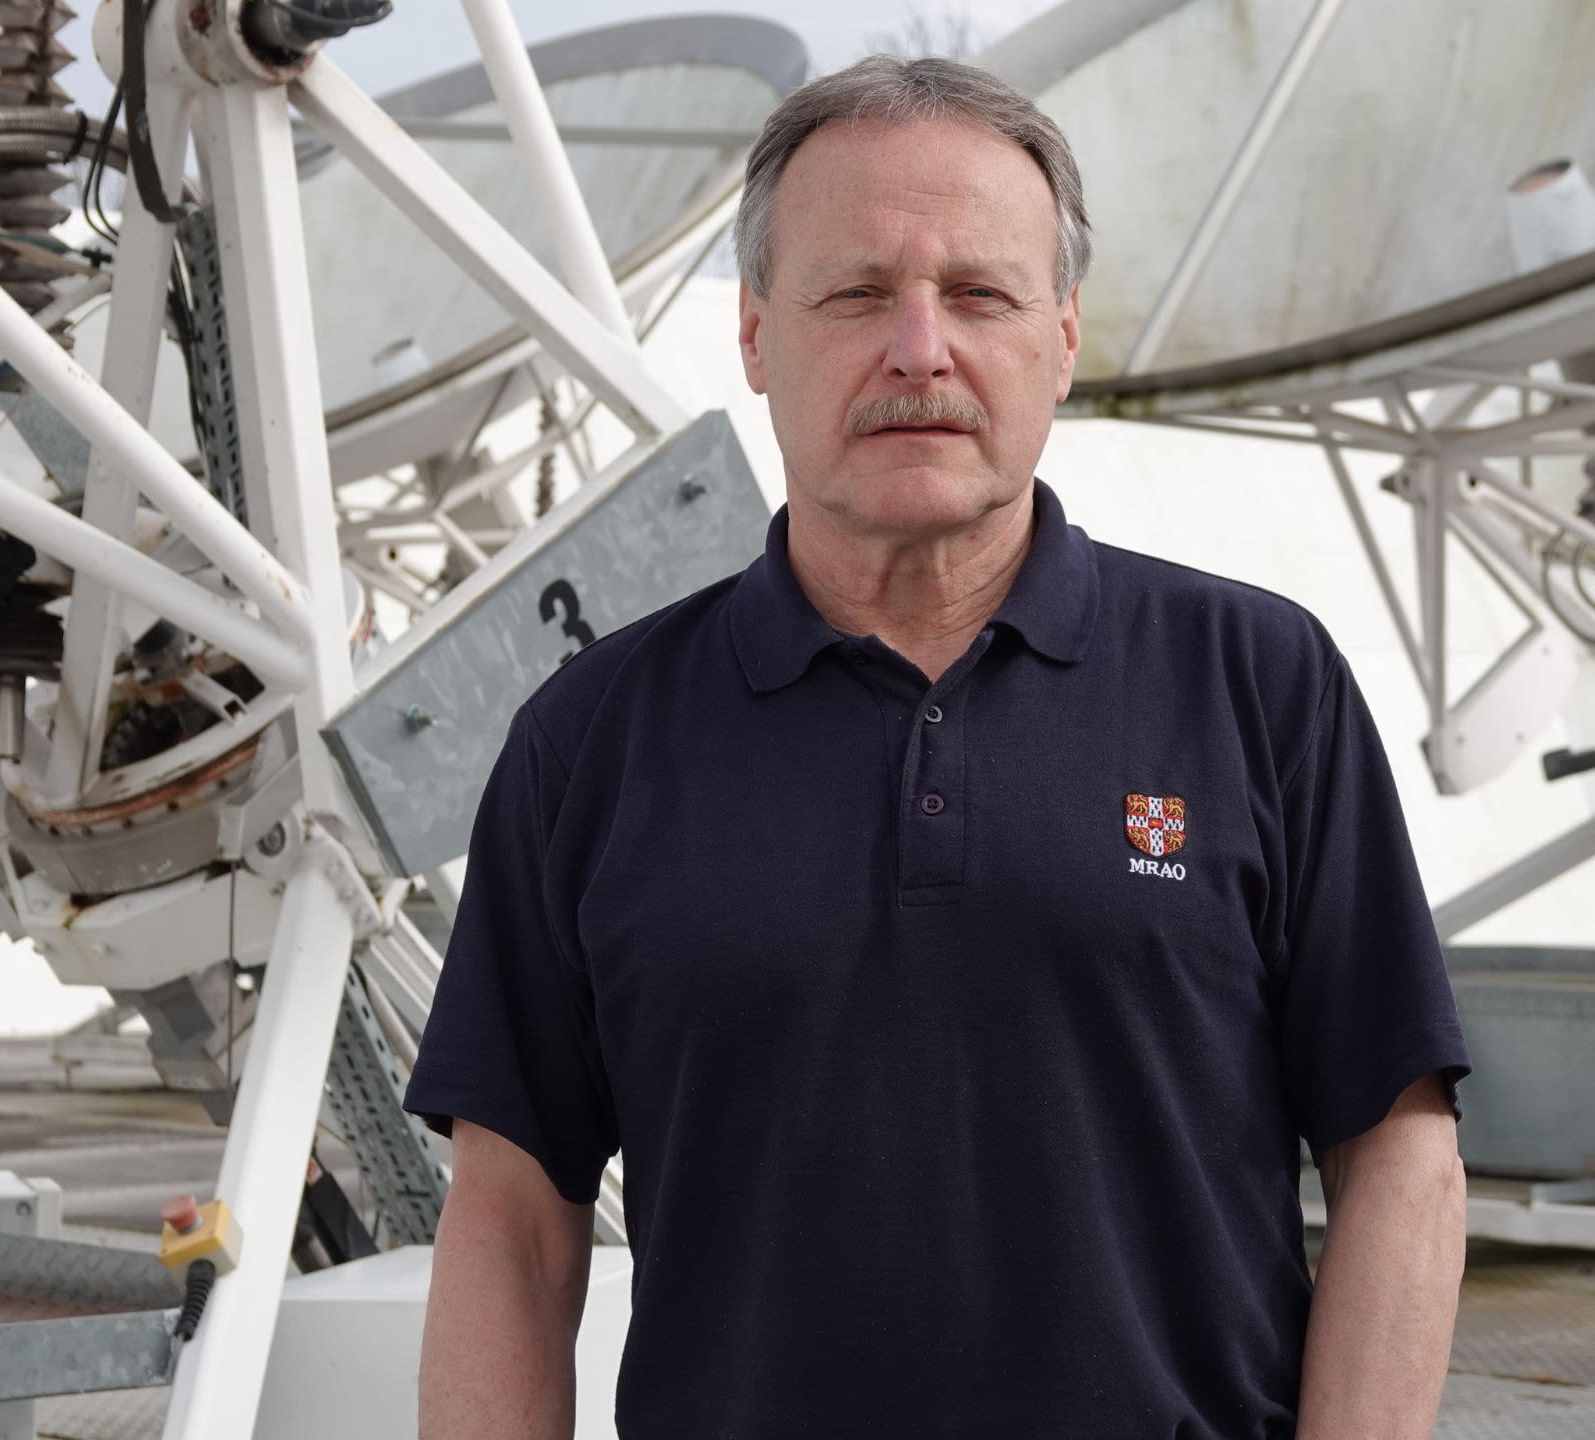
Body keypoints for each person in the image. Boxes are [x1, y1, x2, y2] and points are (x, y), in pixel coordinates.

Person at [405, 53, 1470, 1440]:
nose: (920, 348)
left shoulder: (1260, 685)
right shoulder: (588, 741)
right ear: (754, 336)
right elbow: (510, 1229)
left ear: (1062, 336)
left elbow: (1400, 1157)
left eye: (979, 294)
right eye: (856, 294)